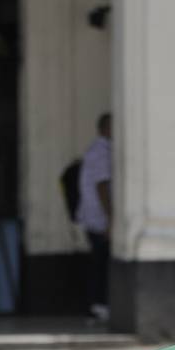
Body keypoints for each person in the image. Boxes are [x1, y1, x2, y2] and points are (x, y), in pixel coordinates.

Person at [77, 112, 112, 322]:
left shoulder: (100, 150)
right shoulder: (101, 152)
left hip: (96, 217)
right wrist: (111, 219)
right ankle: (98, 305)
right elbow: (102, 185)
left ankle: (98, 304)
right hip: (99, 219)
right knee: (100, 263)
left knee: (99, 262)